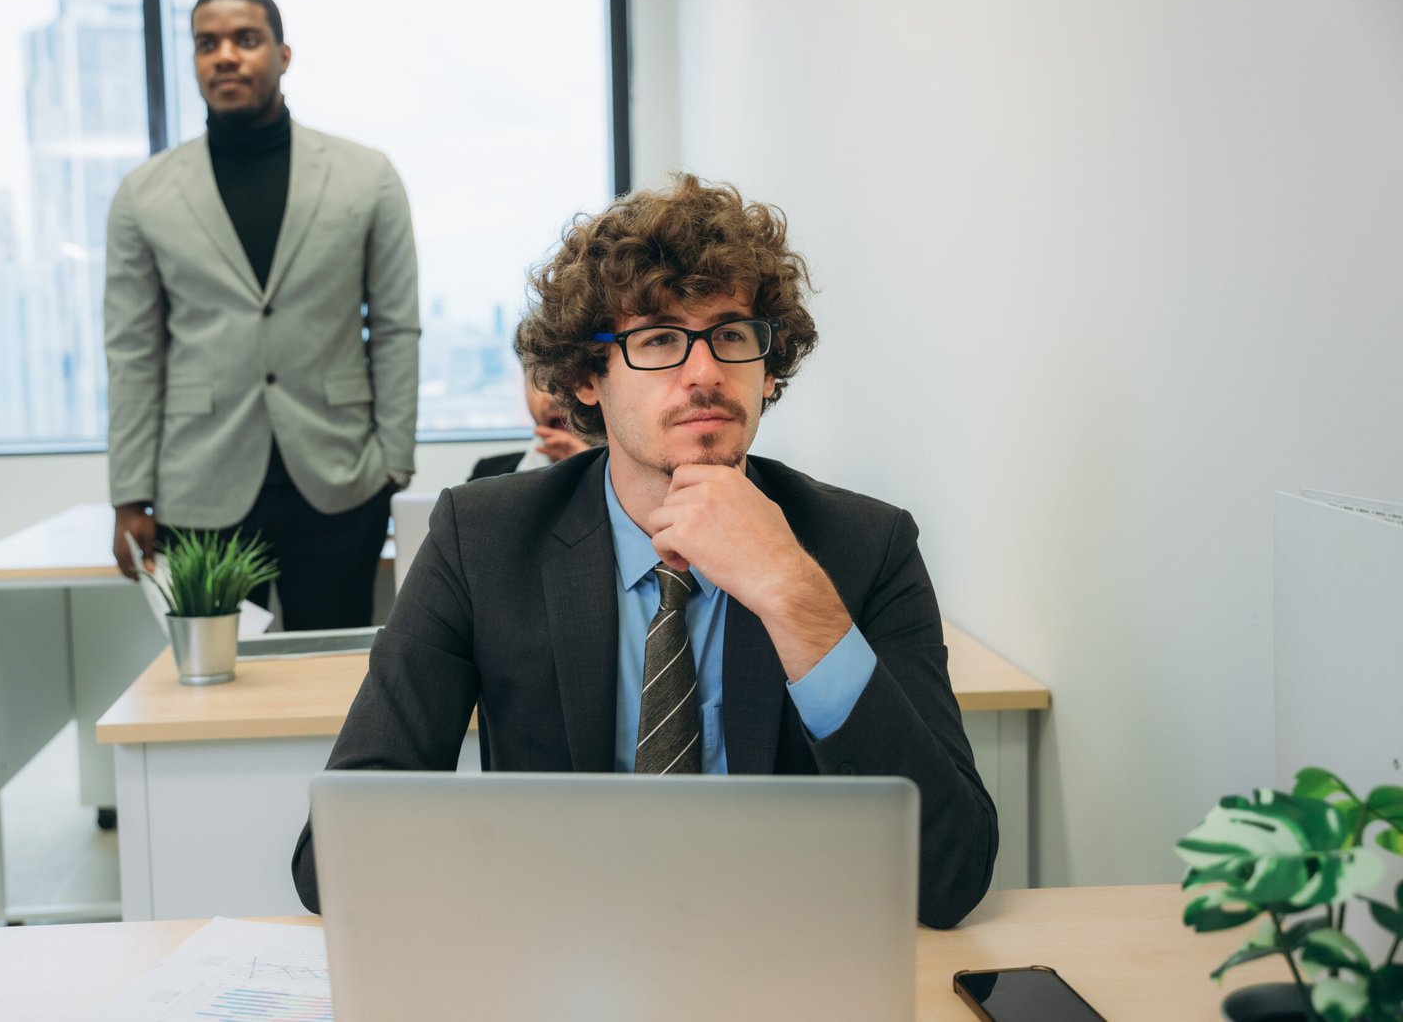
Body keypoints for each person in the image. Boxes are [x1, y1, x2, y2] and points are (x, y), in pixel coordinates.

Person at [291, 175, 996, 929]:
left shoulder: (864, 547)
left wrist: (794, 596)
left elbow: (951, 875)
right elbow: (333, 861)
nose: (705, 372)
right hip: (565, 963)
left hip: (786, 963)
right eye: (658, 338)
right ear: (587, 379)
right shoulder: (481, 540)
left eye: (731, 334)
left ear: (768, 365)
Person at [104, 0, 418, 629]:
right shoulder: (144, 195)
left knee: (335, 684)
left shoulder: (367, 176)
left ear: (283, 54)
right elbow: (133, 349)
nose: (225, 56)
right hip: (199, 482)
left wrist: (393, 459)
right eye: (205, 44)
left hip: (340, 478)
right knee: (214, 689)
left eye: (246, 40)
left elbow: (394, 325)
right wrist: (130, 494)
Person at [468, 370, 590, 480]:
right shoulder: (487, 476)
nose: (557, 398)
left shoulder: (604, 480)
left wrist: (591, 471)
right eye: (542, 379)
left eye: (573, 379)